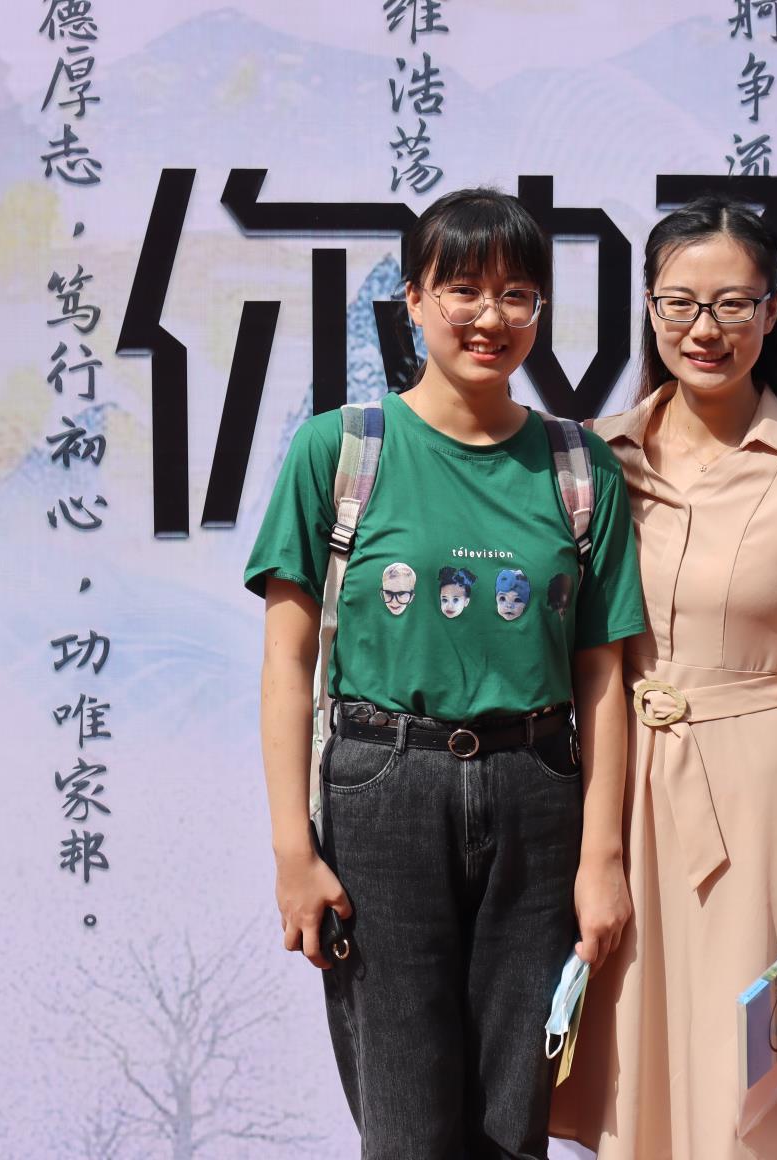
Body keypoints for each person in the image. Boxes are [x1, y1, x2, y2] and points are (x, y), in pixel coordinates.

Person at [245, 187, 647, 1160]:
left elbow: (603, 678)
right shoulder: (339, 451)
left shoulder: (581, 467)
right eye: (463, 288)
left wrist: (601, 857)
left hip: (537, 794)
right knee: (406, 1125)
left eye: (516, 294)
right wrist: (294, 849)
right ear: (415, 301)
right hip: (384, 791)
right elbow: (287, 661)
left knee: (513, 1122)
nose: (490, 317)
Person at [550, 196, 777, 1160]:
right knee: (637, 1080)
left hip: (759, 801)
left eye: (734, 304)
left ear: (772, 311)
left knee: (748, 1095)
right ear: (649, 310)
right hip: (618, 794)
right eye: (680, 303)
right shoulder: (592, 460)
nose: (706, 329)